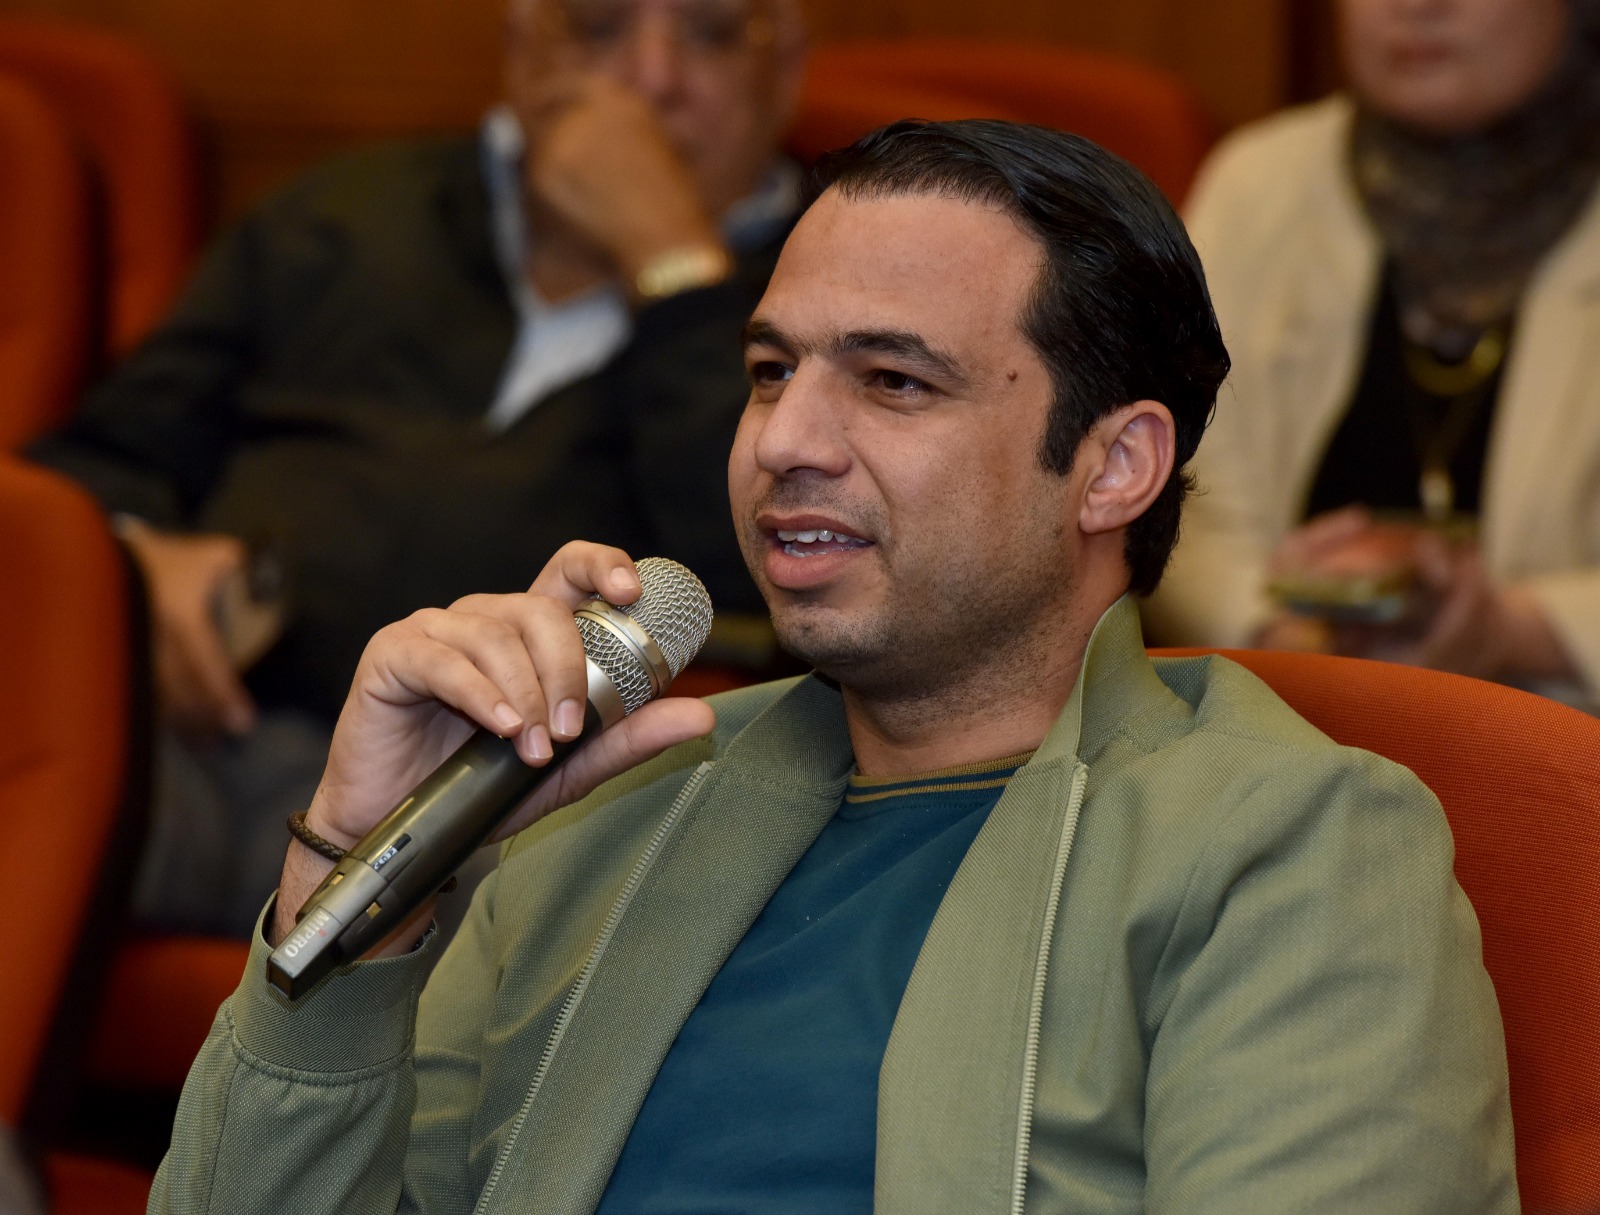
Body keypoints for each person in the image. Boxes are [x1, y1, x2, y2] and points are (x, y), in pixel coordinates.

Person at [149, 120, 1516, 1214]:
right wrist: (359, 875)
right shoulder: (594, 817)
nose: (784, 439)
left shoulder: (1289, 846)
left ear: (1114, 466)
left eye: (892, 381)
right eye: (768, 369)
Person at [27, 0, 807, 933]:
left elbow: (761, 559)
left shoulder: (821, 290)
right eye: (598, 29)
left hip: (511, 805)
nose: (652, 79)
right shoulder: (349, 214)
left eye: (711, 34)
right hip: (195, 735)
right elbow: (91, 465)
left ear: (784, 70)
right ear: (523, 54)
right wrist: (137, 564)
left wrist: (672, 263)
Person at [1146, 0, 1600, 711]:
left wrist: (1516, 631)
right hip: (1279, 726)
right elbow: (1177, 490)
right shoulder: (1257, 184)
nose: (1417, 6)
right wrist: (1276, 629)